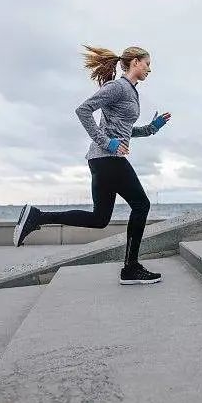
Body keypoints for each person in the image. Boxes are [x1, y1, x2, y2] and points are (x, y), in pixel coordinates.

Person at [13, 45, 171, 285]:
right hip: (108, 159)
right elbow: (83, 110)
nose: (150, 69)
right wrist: (106, 143)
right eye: (147, 63)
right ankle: (130, 268)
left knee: (99, 219)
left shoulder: (131, 91)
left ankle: (37, 217)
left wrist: (152, 128)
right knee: (141, 205)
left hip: (102, 160)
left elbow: (124, 130)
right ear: (136, 62)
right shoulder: (117, 87)